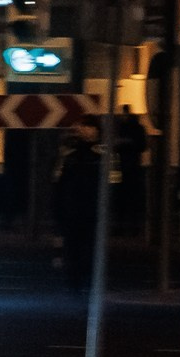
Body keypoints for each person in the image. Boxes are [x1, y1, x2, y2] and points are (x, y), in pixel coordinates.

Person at [53, 121, 103, 290]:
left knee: (75, 251)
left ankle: (75, 284)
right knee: (85, 251)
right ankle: (82, 283)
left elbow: (59, 186)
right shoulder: (97, 159)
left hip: (76, 211)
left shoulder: (71, 159)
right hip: (87, 211)